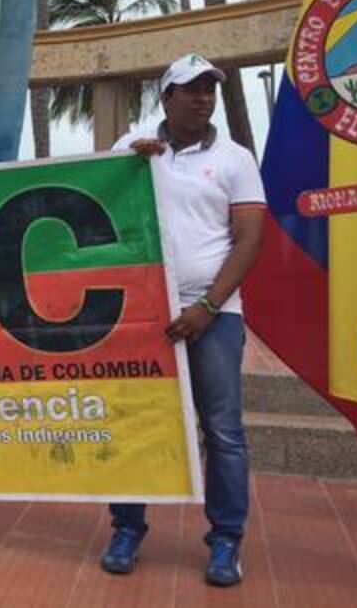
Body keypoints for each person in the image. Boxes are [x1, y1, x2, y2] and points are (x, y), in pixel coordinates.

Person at [100, 53, 265, 588]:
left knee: (222, 430)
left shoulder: (236, 158)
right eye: (191, 89)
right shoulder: (134, 145)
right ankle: (126, 528)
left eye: (209, 89)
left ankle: (226, 540)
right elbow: (100, 204)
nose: (203, 98)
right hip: (144, 313)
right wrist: (127, 165)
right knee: (136, 420)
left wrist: (207, 307)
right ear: (166, 97)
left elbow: (250, 239)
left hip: (214, 315)